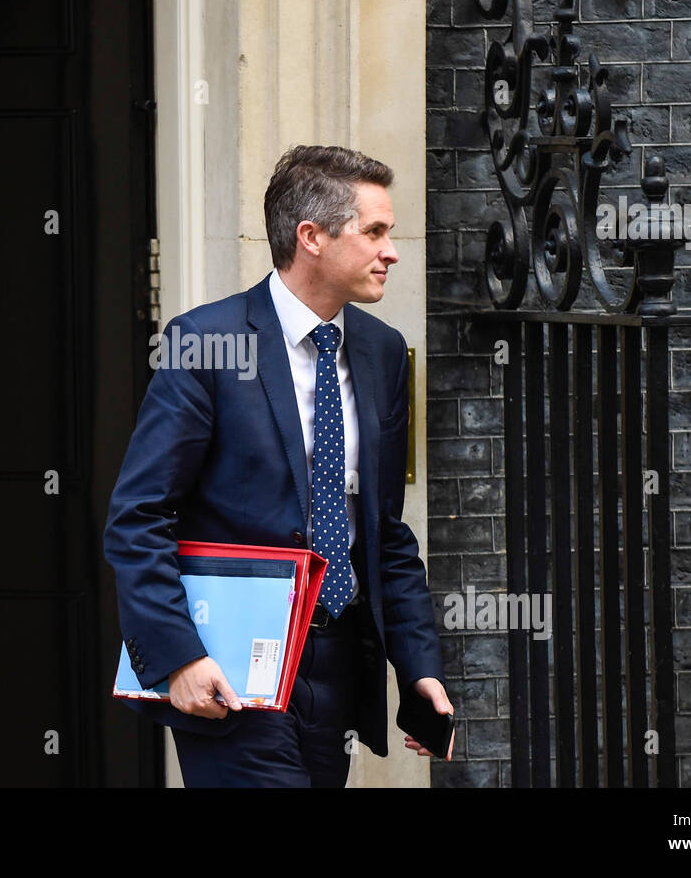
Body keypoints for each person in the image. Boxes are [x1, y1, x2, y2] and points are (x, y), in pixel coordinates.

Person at [103, 144, 452, 787]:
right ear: (312, 236)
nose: (392, 251)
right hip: (235, 669)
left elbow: (384, 533)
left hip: (340, 664)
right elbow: (138, 516)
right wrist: (180, 657)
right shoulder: (207, 342)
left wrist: (419, 665)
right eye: (374, 232)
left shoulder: (379, 352)